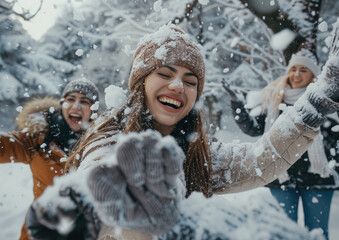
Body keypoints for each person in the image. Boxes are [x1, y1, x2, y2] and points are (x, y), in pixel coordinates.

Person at [26, 24, 339, 240]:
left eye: (191, 81)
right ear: (140, 83)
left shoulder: (192, 152)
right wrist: (84, 205)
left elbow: (261, 158)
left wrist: (320, 98)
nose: (178, 86)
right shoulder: (113, 137)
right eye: (165, 73)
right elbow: (104, 170)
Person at [223, 48, 339, 239]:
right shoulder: (275, 102)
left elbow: (335, 140)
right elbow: (252, 128)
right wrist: (237, 104)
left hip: (318, 179)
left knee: (318, 234)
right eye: (293, 69)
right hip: (281, 177)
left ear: (314, 74)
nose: (296, 74)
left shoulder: (327, 103)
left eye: (303, 69)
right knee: (283, 235)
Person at [0, 78, 99, 240]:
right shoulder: (38, 140)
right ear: (62, 105)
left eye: (85, 101)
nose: (76, 106)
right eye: (70, 99)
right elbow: (6, 144)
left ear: (93, 110)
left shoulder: (100, 147)